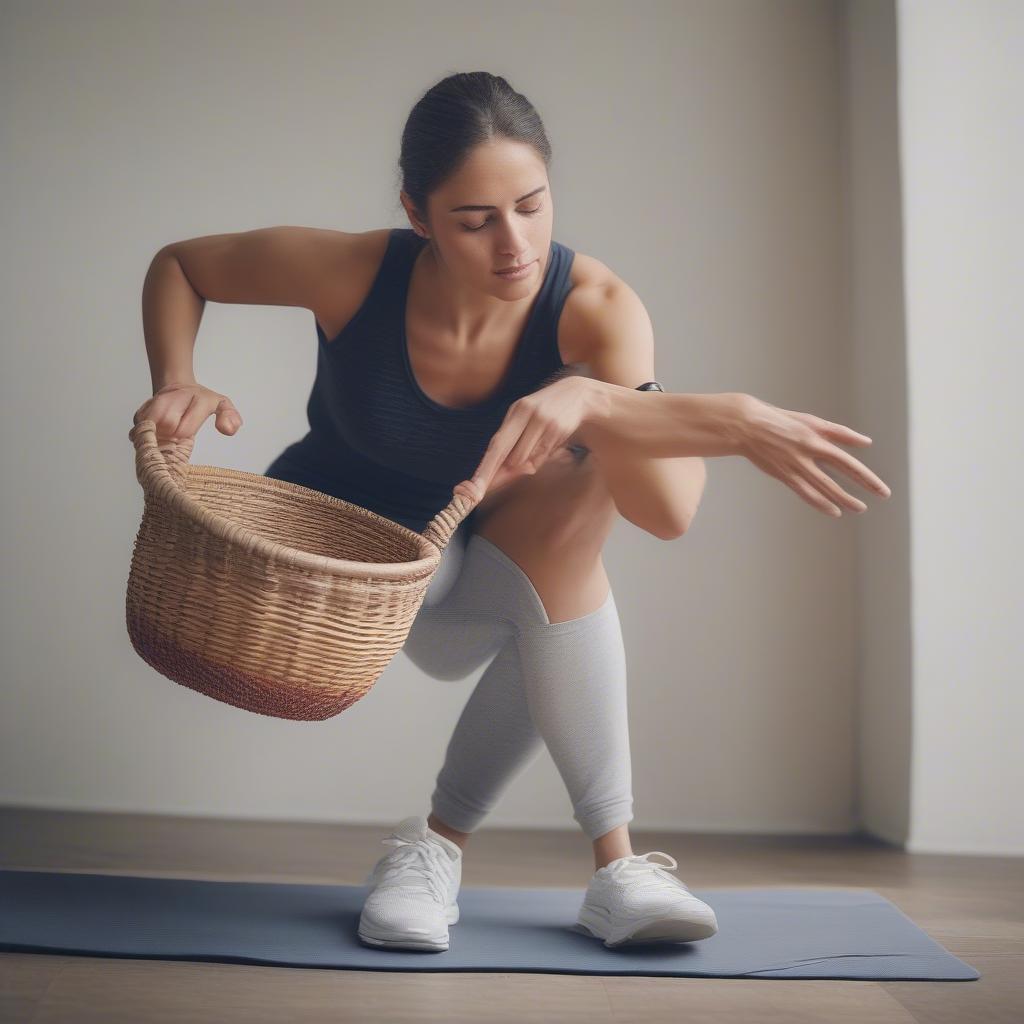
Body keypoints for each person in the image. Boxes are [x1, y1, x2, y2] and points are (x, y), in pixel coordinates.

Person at [132, 72, 891, 953]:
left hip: (480, 567)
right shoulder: (353, 273)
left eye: (532, 206)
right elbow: (181, 264)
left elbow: (669, 512)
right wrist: (175, 383)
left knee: (587, 491)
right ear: (418, 214)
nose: (515, 245)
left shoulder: (595, 309)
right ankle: (461, 850)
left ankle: (591, 868)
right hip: (348, 581)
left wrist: (602, 405)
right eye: (475, 220)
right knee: (559, 586)